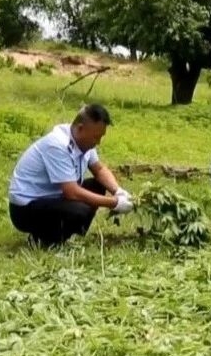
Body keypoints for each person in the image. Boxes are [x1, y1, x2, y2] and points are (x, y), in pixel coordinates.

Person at [8, 103, 133, 248]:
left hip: (53, 198)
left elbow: (99, 169)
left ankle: (67, 234)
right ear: (81, 129)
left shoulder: (84, 143)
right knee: (80, 210)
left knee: (97, 185)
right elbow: (71, 192)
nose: (98, 142)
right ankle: (44, 240)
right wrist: (114, 203)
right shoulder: (57, 145)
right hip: (26, 208)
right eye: (96, 137)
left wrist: (117, 191)